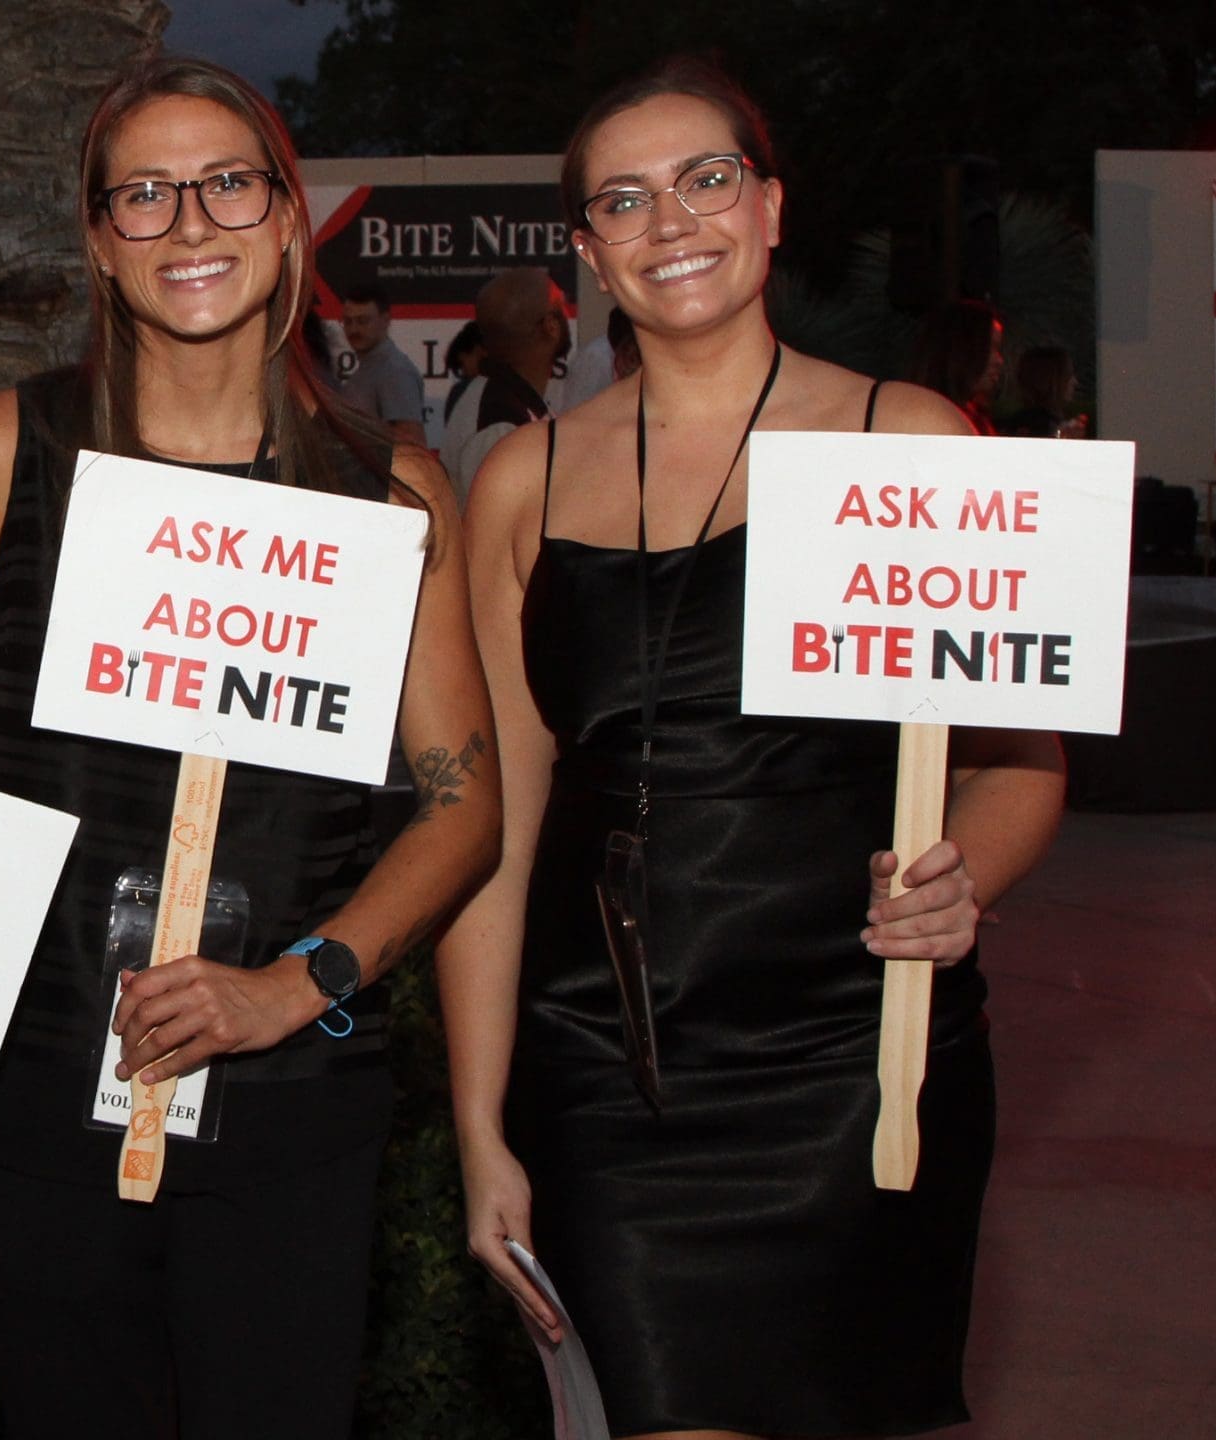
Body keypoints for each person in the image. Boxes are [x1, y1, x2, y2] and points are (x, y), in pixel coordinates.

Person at [442, 55, 1066, 1440]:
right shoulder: (523, 480)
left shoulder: (911, 439)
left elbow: (1020, 759)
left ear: (772, 208)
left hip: (858, 1053)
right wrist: (480, 1124)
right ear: (589, 250)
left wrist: (966, 877)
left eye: (706, 180)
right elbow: (498, 830)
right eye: (624, 199)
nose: (670, 221)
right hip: (608, 1067)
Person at [0, 54, 499, 1439]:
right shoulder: (1, 455)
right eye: (145, 195)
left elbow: (463, 807)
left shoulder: (389, 495)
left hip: (295, 1105)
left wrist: (299, 984)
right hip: (39, 1079)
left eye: (227, 184)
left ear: (287, 219)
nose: (189, 223)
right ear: (100, 242)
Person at [445, 266, 568, 503]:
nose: (566, 311)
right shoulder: (499, 423)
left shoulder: (512, 403)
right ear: (551, 325)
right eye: (561, 305)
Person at [334, 281, 430, 446]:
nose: (354, 329)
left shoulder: (395, 372)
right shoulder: (370, 370)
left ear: (385, 320)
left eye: (363, 321)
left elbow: (412, 445)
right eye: (348, 322)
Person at [907, 296, 1006, 436]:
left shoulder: (975, 419)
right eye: (989, 348)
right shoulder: (928, 421)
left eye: (998, 349)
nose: (999, 360)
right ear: (962, 351)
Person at [1000, 343, 1083, 440]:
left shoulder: (1017, 423)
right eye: (1068, 376)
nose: (1075, 382)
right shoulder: (1040, 427)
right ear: (1051, 381)